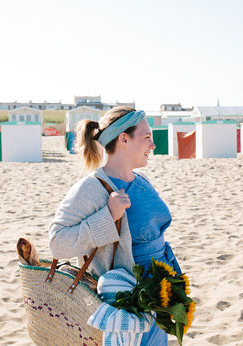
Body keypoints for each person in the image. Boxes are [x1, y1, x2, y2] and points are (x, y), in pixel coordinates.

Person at [49, 106, 181, 345]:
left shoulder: (142, 181)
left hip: (158, 293)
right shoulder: (92, 187)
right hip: (127, 302)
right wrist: (107, 217)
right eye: (147, 138)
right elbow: (57, 243)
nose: (153, 145)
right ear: (124, 139)